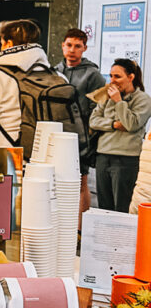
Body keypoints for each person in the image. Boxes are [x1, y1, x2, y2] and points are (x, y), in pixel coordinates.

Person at [0, 19, 52, 148]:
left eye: (2, 43)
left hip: (10, 157)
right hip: (48, 155)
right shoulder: (57, 76)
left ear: (8, 44)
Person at [55, 28, 105, 217]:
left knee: (81, 181)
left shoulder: (92, 75)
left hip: (81, 134)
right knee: (59, 180)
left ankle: (81, 227)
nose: (72, 50)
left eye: (77, 46)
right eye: (69, 45)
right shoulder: (55, 71)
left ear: (84, 48)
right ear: (62, 46)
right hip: (59, 132)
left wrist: (90, 132)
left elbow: (100, 106)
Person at [89, 58, 151, 213]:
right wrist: (113, 124)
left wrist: (119, 102)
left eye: (117, 76)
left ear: (131, 77)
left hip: (125, 159)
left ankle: (121, 238)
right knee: (104, 206)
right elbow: (93, 121)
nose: (112, 81)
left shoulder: (143, 99)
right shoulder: (105, 96)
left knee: (122, 207)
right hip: (103, 156)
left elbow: (131, 124)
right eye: (111, 76)